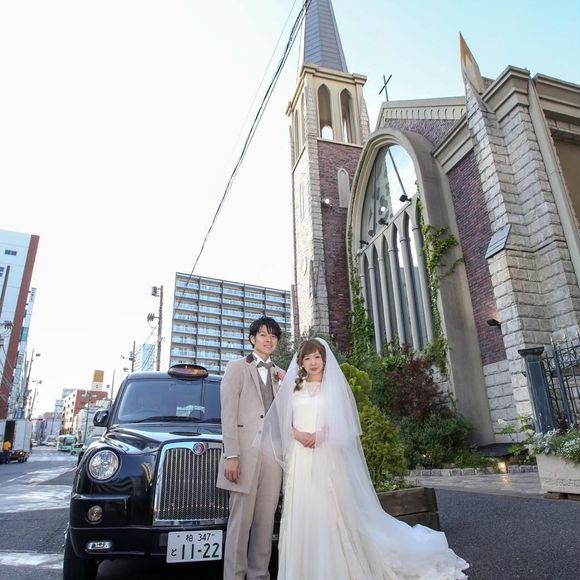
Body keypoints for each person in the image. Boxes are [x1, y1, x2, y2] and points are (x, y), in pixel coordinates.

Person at [256, 338, 470, 580]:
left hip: (327, 454)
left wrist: (321, 434)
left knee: (330, 507)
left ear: (324, 359)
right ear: (301, 362)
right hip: (300, 456)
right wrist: (298, 435)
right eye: (307, 358)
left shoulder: (333, 386)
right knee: (304, 510)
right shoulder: (294, 388)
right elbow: (281, 421)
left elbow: (342, 419)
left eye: (317, 357)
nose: (313, 362)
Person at [217, 315, 284, 580]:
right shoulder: (236, 368)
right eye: (264, 334)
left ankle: (259, 575)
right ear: (252, 338)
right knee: (240, 523)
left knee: (265, 523)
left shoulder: (281, 374)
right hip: (244, 454)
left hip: (273, 455)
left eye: (273, 336)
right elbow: (228, 414)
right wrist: (231, 455)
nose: (269, 339)